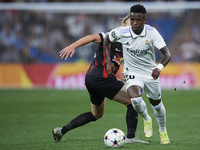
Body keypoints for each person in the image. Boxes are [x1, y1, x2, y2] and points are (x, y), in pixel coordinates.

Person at [52, 14, 149, 144]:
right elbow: (91, 37)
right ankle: (131, 137)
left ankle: (61, 131)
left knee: (96, 114)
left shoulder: (129, 43)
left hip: (92, 78)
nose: (132, 26)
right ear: (123, 25)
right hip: (101, 78)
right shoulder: (112, 35)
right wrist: (72, 46)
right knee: (133, 100)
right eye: (129, 23)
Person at [104, 4, 171, 144]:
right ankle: (147, 119)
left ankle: (163, 130)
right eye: (132, 19)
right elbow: (107, 39)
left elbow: (167, 54)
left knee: (157, 105)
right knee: (135, 99)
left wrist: (158, 68)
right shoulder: (122, 32)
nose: (134, 23)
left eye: (138, 20)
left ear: (144, 20)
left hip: (150, 73)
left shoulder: (152, 32)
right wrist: (108, 61)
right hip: (131, 72)